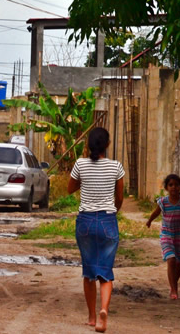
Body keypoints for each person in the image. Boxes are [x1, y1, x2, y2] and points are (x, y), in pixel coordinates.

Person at [68, 127, 124, 333]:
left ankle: (92, 316)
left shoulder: (80, 164)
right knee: (106, 273)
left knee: (89, 271)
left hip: (85, 221)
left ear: (89, 145)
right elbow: (119, 197)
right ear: (107, 145)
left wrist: (86, 179)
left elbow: (69, 188)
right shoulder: (116, 167)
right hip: (107, 221)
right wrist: (113, 212)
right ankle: (104, 311)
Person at [146, 174, 180, 299]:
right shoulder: (163, 201)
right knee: (171, 259)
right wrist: (150, 220)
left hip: (179, 237)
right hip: (166, 235)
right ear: (167, 188)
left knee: (179, 265)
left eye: (176, 185)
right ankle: (174, 290)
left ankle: (173, 283)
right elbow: (156, 212)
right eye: (171, 185)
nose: (174, 187)